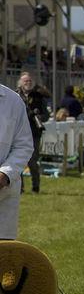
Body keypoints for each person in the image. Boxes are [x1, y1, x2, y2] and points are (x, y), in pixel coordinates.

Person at [0, 83, 34, 239]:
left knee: (4, 258)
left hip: (3, 196)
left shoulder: (13, 101)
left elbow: (24, 145)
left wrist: (5, 174)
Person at [16, 72, 49, 194]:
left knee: (32, 161)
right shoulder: (15, 95)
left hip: (34, 133)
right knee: (18, 161)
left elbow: (46, 115)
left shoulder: (38, 96)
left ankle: (36, 187)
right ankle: (20, 188)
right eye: (25, 81)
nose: (28, 83)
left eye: (30, 81)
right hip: (18, 133)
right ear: (20, 82)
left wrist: (38, 116)